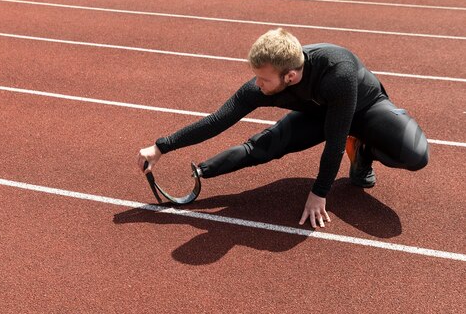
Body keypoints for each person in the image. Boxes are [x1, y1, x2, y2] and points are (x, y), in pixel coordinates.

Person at [137, 28, 429, 228]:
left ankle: (363, 149)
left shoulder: (337, 72)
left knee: (414, 154)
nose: (257, 85)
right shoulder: (264, 83)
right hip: (318, 114)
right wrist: (161, 146)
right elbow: (217, 121)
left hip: (365, 109)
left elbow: (335, 142)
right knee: (265, 146)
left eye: (263, 80)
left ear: (289, 76)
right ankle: (205, 170)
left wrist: (319, 192)